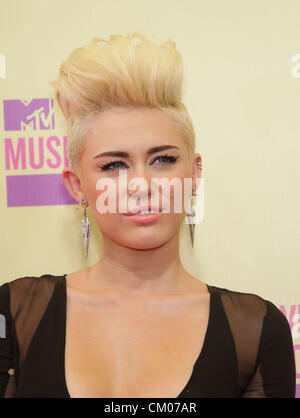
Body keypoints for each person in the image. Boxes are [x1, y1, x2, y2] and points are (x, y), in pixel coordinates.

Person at [0, 33, 296, 398]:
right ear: (77, 186)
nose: (141, 184)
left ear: (195, 174)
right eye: (113, 165)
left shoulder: (256, 329)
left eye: (163, 160)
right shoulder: (14, 312)